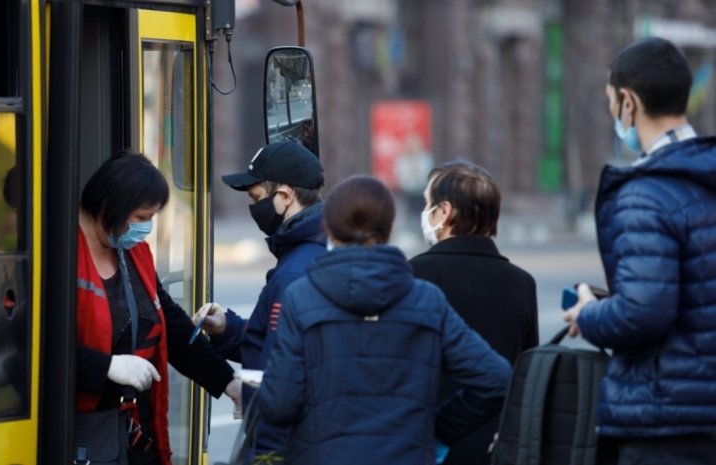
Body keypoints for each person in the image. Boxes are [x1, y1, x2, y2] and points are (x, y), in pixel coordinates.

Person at [256, 175, 511, 465]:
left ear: (329, 227)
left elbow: (278, 406)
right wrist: (437, 430)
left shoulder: (301, 299)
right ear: (389, 228)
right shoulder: (427, 300)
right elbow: (496, 378)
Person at [563, 36, 716, 465]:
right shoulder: (703, 172)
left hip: (667, 419)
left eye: (611, 101)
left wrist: (589, 314)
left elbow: (644, 311)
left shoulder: (645, 193)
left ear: (628, 102)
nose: (613, 112)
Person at [75, 150, 241, 465]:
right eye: (141, 218)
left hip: (127, 427)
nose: (146, 228)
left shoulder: (133, 252)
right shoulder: (61, 253)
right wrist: (107, 366)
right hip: (77, 429)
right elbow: (39, 351)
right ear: (111, 207)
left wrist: (228, 382)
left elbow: (171, 326)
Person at [193, 140, 325, 462]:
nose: (254, 209)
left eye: (256, 198)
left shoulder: (295, 272)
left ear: (284, 196)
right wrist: (226, 329)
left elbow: (276, 378)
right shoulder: (311, 250)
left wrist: (262, 455)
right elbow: (272, 342)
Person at [410, 161, 538, 465]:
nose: (425, 212)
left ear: (445, 212)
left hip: (429, 444)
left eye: (427, 203)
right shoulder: (521, 283)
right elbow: (526, 372)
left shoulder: (414, 274)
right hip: (499, 447)